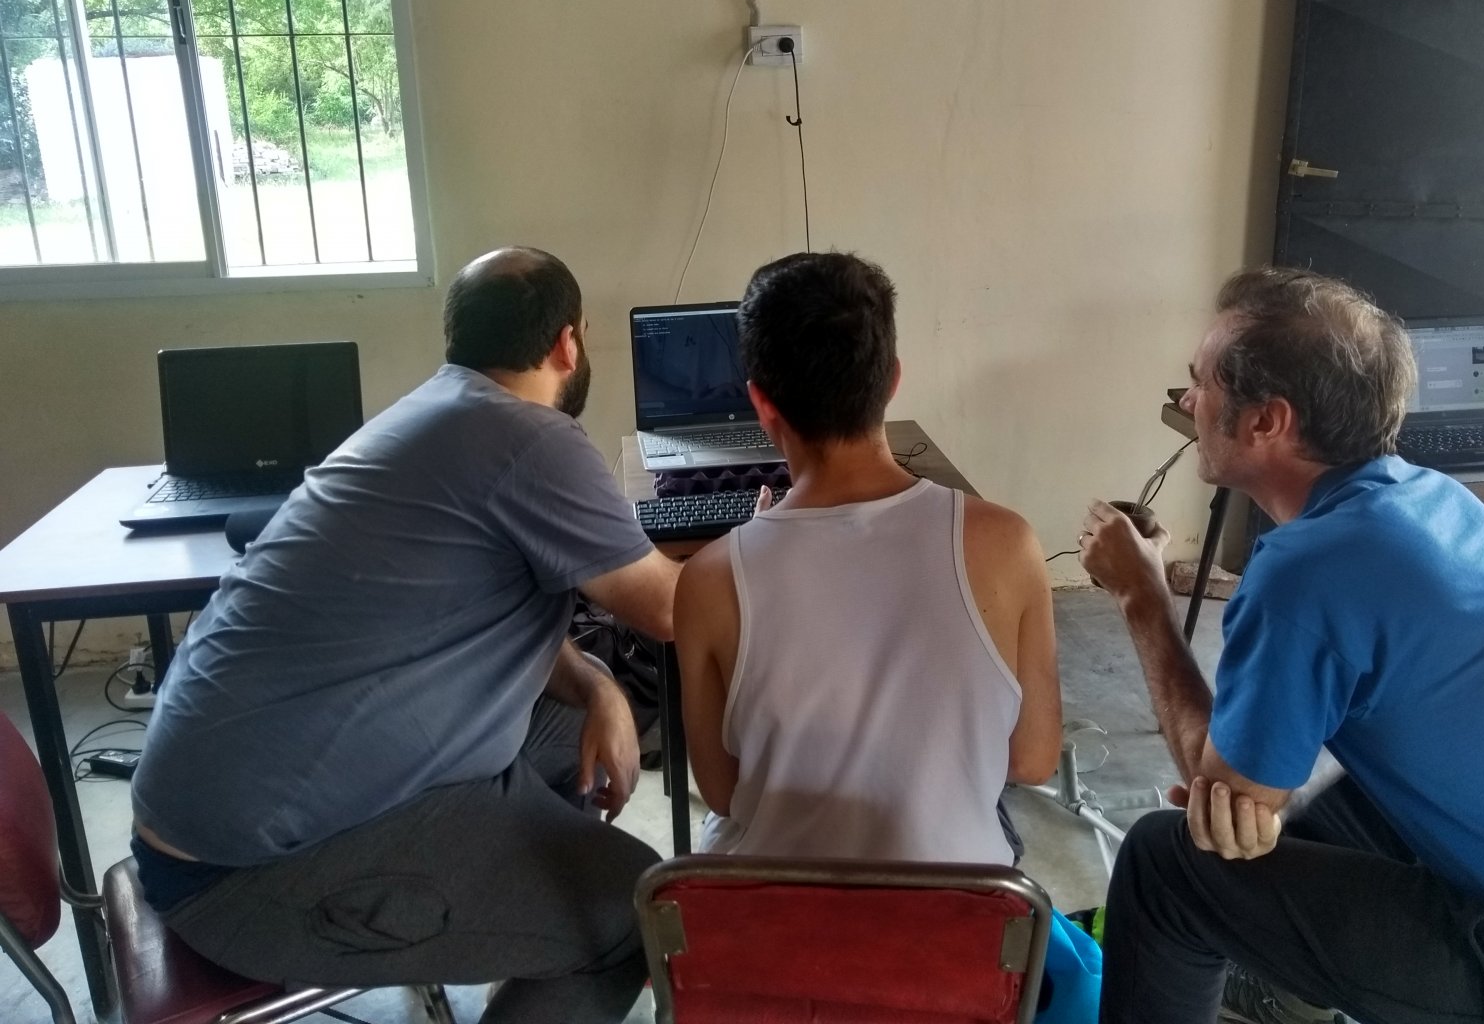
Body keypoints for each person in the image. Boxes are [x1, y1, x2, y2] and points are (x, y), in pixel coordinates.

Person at [130, 247, 682, 1024]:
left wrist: (598, 687)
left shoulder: (429, 414)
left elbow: (485, 614)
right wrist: (781, 533)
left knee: (565, 731)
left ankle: (520, 932)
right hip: (241, 872)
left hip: (199, 808)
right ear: (569, 342)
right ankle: (555, 935)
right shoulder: (531, 439)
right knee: (638, 913)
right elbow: (669, 608)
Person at [1079, 267, 1484, 1024]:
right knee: (1338, 804)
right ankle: (1285, 988)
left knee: (1167, 863)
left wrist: (1141, 596)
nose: (1189, 402)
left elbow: (1219, 800)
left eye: (1201, 383)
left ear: (1267, 422)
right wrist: (1251, 789)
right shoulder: (1429, 495)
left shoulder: (1306, 575)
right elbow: (1250, 800)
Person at [674, 251, 1062, 863]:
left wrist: (756, 541)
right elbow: (1034, 760)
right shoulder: (1008, 543)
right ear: (892, 380)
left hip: (778, 910)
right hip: (957, 910)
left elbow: (722, 793)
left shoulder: (709, 579)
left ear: (762, 403)